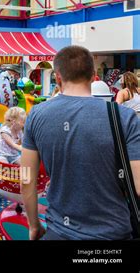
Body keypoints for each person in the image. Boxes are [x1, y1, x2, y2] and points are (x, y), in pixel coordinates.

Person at [21, 46, 140, 240]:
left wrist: (34, 226)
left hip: (59, 231)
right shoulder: (125, 117)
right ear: (94, 77)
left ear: (57, 77)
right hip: (113, 233)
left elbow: (26, 179)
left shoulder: (36, 115)